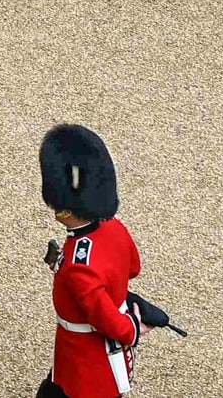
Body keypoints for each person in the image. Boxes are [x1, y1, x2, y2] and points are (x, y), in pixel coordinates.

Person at [38, 124, 146, 398]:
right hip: (74, 353)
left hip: (84, 356)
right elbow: (133, 268)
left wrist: (132, 328)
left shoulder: (78, 261)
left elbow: (105, 318)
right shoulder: (114, 227)